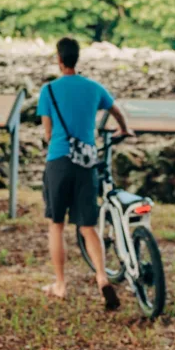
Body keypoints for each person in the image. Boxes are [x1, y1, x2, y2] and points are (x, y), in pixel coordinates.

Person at [38, 37, 134, 310]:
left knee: (56, 224)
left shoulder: (49, 90)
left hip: (59, 161)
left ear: (59, 59)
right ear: (77, 58)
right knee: (87, 225)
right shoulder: (93, 88)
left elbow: (47, 133)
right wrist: (124, 129)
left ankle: (60, 284)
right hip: (85, 163)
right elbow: (116, 111)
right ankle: (102, 277)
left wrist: (51, 139)